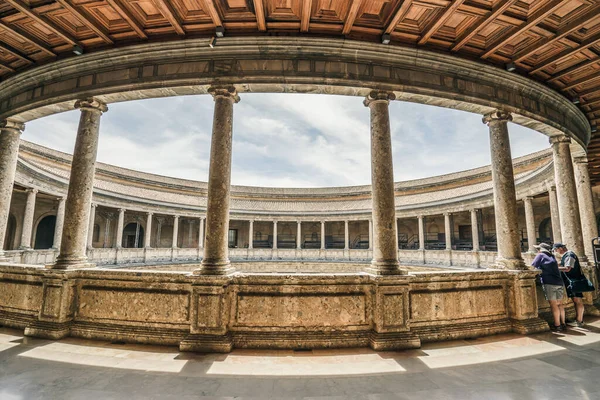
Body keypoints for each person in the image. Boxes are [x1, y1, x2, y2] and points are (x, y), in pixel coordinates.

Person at [532, 243, 566, 331]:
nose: (537, 251)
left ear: (541, 249)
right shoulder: (552, 256)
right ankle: (563, 323)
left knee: (554, 305)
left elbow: (532, 267)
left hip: (549, 282)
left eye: (538, 249)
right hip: (559, 282)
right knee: (560, 304)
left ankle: (557, 325)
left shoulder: (540, 255)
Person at [553, 243, 585, 327]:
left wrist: (554, 268)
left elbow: (567, 268)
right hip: (573, 281)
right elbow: (563, 264)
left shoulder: (569, 255)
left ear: (560, 248)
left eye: (556, 249)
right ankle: (579, 320)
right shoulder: (567, 255)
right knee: (576, 301)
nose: (556, 252)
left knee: (577, 301)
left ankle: (579, 321)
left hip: (574, 281)